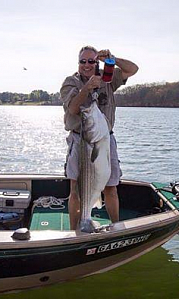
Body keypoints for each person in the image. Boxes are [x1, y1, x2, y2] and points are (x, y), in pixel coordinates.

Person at [60, 46, 138, 230]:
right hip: (81, 141)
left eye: (91, 61)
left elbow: (132, 69)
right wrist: (87, 88)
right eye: (83, 61)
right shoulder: (70, 82)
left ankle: (116, 228)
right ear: (78, 63)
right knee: (76, 188)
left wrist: (114, 59)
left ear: (97, 62)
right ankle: (75, 231)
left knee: (111, 187)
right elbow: (72, 109)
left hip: (105, 139)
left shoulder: (107, 77)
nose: (87, 65)